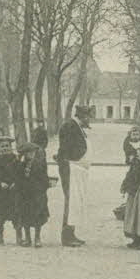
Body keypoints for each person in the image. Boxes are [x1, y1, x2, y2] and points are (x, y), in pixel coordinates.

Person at [54, 105, 90, 247]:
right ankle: (66, 236)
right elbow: (67, 148)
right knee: (71, 201)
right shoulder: (70, 126)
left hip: (76, 168)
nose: (89, 120)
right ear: (82, 115)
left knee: (75, 201)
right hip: (70, 168)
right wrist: (73, 160)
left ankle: (72, 233)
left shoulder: (76, 126)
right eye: (88, 117)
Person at [16, 141, 51, 247]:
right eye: (28, 153)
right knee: (25, 216)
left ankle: (37, 237)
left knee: (37, 216)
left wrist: (43, 188)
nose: (31, 154)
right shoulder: (20, 165)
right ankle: (28, 238)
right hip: (25, 195)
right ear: (24, 154)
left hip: (37, 194)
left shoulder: (39, 164)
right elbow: (17, 178)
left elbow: (44, 178)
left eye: (32, 152)